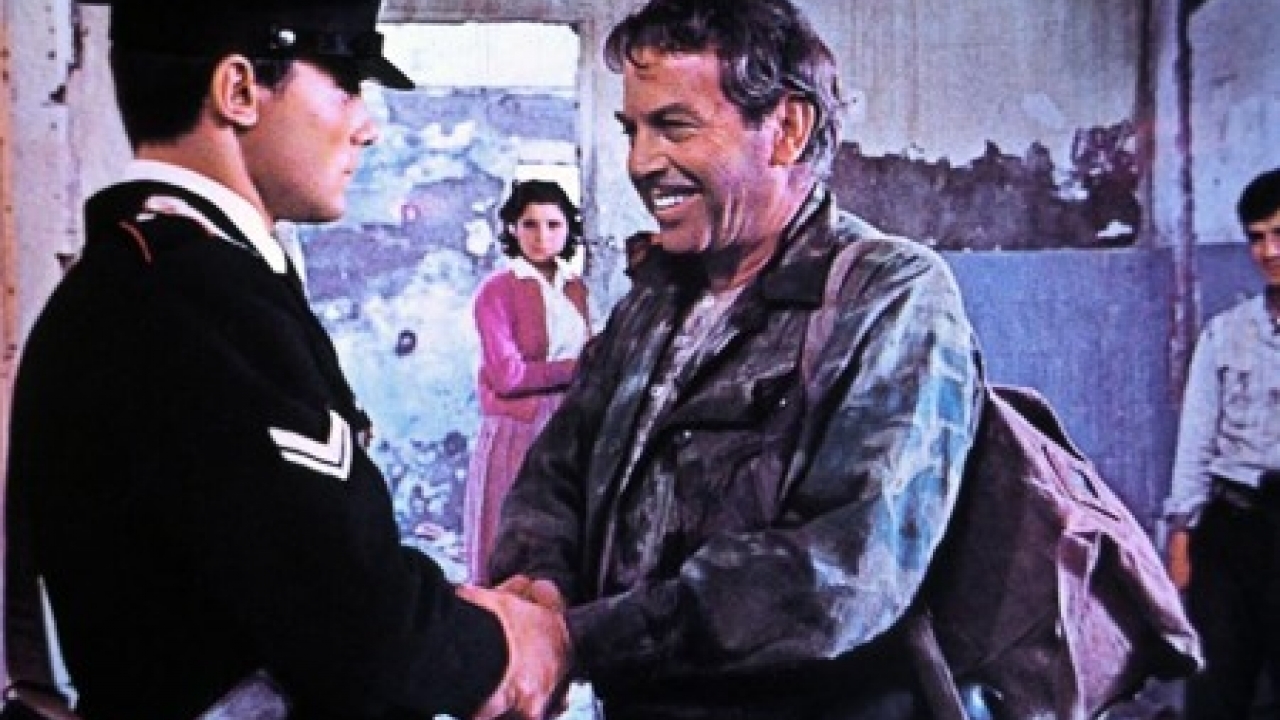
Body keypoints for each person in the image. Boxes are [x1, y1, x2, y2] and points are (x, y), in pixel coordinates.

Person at [3, 1, 568, 718]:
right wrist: (510, 648)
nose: (366, 125)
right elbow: (358, 631)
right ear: (239, 90)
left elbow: (284, 571)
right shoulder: (198, 301)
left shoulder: (133, 281)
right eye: (346, 83)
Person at [487, 0, 984, 718]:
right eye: (632, 130)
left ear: (786, 129)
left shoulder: (891, 293)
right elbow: (557, 472)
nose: (641, 163)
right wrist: (538, 585)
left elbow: (843, 573)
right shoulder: (654, 298)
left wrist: (575, 640)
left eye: (674, 127)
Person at [1164, 167, 1280, 719]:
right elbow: (1196, 441)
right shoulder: (1226, 333)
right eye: (1257, 238)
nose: (1269, 252)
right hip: (1232, 530)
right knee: (1215, 691)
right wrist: (1181, 537)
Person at [464, 179, 591, 585]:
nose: (542, 237)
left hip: (571, 422)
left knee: (563, 545)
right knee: (514, 545)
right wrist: (580, 366)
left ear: (569, 230)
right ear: (513, 229)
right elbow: (508, 376)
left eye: (554, 225)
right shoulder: (497, 291)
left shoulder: (575, 288)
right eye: (530, 225)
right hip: (519, 428)